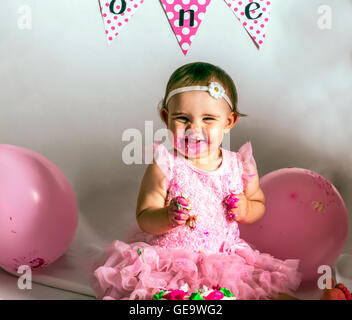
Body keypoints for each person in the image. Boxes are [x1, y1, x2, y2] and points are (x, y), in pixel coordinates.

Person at [86, 62, 303, 300]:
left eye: (208, 119)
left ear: (229, 122)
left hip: (225, 262)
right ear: (165, 118)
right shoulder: (165, 164)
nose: (194, 129)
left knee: (258, 295)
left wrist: (246, 207)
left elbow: (257, 203)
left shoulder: (238, 165)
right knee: (165, 298)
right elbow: (145, 216)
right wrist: (167, 216)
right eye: (182, 118)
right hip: (172, 262)